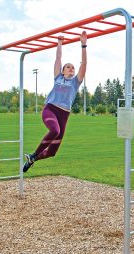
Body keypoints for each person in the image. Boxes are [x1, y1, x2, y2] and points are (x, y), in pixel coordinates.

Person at [23, 31, 87, 172]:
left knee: (52, 152)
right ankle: (33, 154)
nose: (71, 68)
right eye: (68, 67)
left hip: (64, 115)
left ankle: (32, 160)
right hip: (50, 109)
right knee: (55, 130)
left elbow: (84, 65)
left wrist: (83, 45)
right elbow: (58, 58)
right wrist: (59, 43)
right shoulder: (58, 77)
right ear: (63, 71)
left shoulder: (76, 82)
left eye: (73, 67)